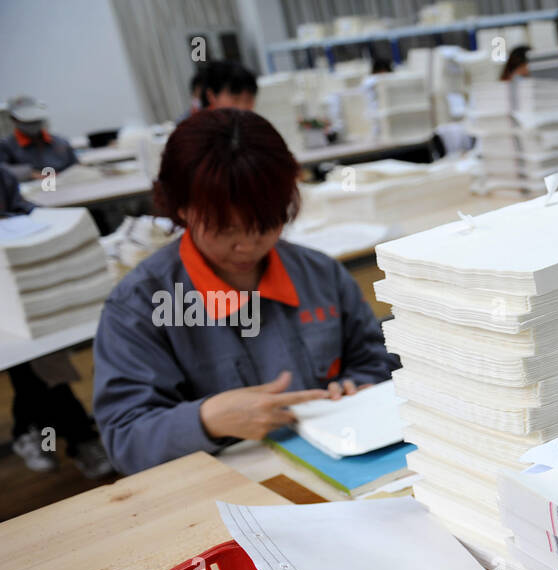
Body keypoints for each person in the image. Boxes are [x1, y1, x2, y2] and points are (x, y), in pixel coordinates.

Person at [93, 109, 398, 475]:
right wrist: (206, 420)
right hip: (221, 489)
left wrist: (360, 387)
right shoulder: (140, 305)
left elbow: (375, 359)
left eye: (266, 224)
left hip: (343, 467)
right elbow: (125, 440)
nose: (247, 246)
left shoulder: (320, 275)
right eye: (224, 229)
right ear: (182, 209)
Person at [1, 104, 113, 479]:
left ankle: (33, 432)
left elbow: (22, 207)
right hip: (11, 296)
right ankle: (76, 437)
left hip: (18, 287)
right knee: (40, 365)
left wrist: (47, 224)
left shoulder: (3, 175)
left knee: (38, 359)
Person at [0, 95, 78, 181]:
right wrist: (29, 173)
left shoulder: (60, 142)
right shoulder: (6, 147)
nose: (33, 124)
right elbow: (3, 170)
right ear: (14, 119)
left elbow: (75, 166)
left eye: (36, 120)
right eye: (28, 121)